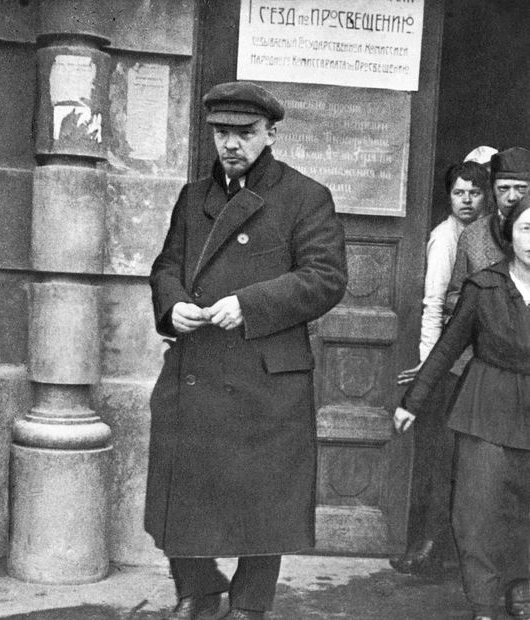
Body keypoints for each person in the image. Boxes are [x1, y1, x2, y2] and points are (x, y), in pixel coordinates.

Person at [145, 82, 347, 620]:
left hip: (265, 373)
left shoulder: (305, 196)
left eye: (245, 132)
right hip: (198, 364)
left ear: (271, 134)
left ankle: (250, 605)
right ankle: (197, 589)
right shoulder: (193, 197)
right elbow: (166, 265)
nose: (231, 144)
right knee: (184, 485)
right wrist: (173, 303)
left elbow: (326, 278)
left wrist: (250, 304)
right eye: (222, 132)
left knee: (264, 499)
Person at [394, 195, 530, 620]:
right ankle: (484, 601)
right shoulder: (484, 286)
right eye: (527, 229)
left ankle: (522, 586)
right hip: (486, 404)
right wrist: (413, 401)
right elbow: (449, 346)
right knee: (478, 508)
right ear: (509, 233)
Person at [390, 159, 491, 576]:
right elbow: (435, 304)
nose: (466, 201)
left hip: (475, 362)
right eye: (458, 193)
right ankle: (429, 547)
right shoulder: (447, 238)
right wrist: (429, 363)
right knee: (439, 456)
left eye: (474, 193)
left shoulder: (489, 235)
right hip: (450, 364)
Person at [445, 146, 530, 314]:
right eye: (503, 188)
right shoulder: (472, 235)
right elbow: (453, 296)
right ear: (492, 190)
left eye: (521, 188)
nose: (512, 197)